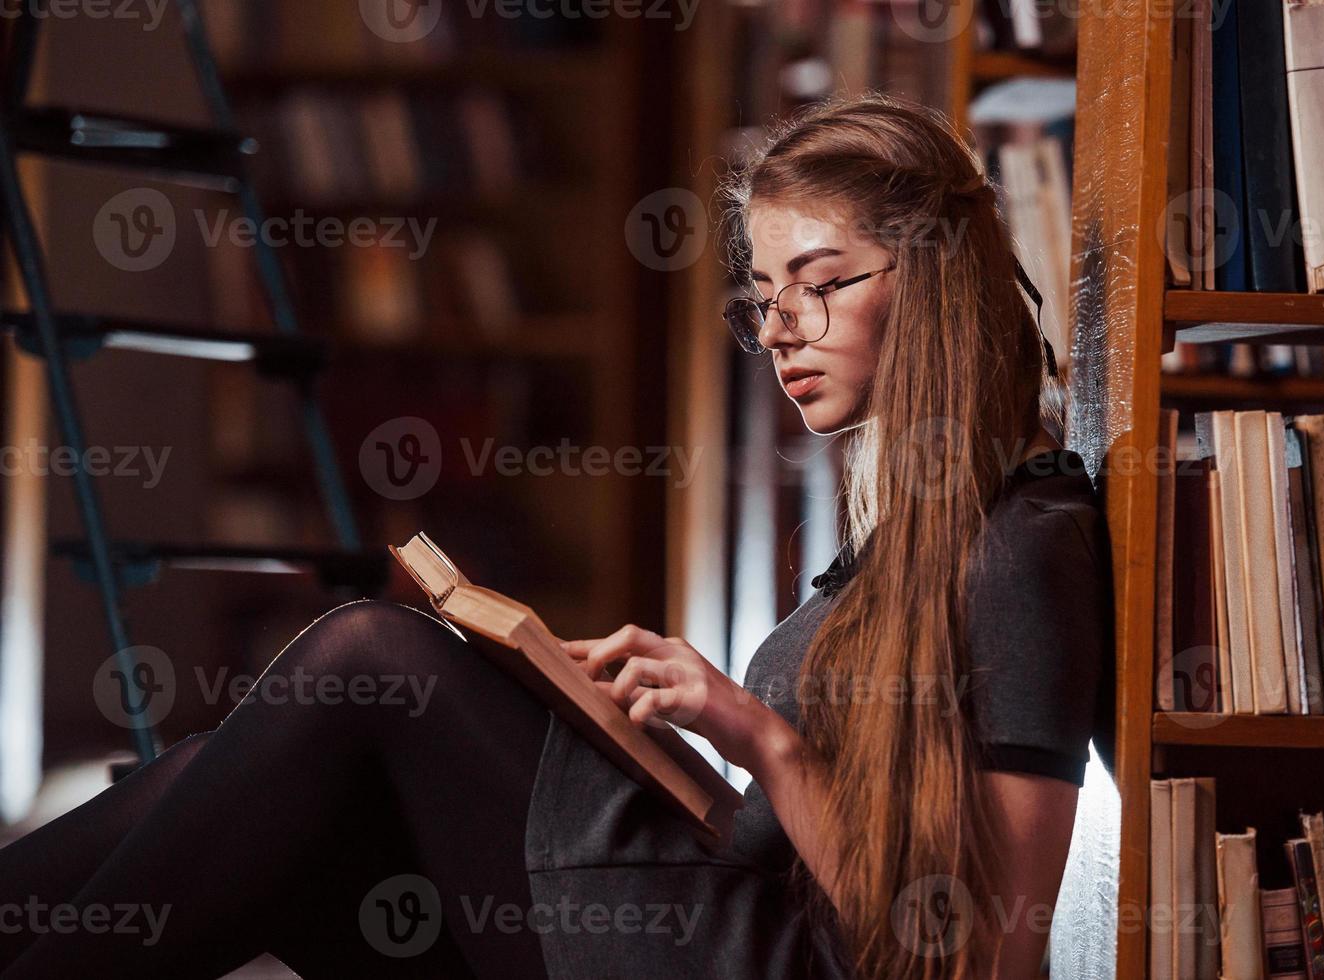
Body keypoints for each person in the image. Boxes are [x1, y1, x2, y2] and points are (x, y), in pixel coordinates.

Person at [0, 93, 1113, 980]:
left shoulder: (1023, 544)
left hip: (740, 951)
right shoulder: (909, 533)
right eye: (763, 294)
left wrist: (755, 730)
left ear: (928, 283)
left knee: (369, 658)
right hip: (713, 910)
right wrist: (658, 744)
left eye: (817, 286)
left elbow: (982, 957)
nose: (777, 331)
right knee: (282, 812)